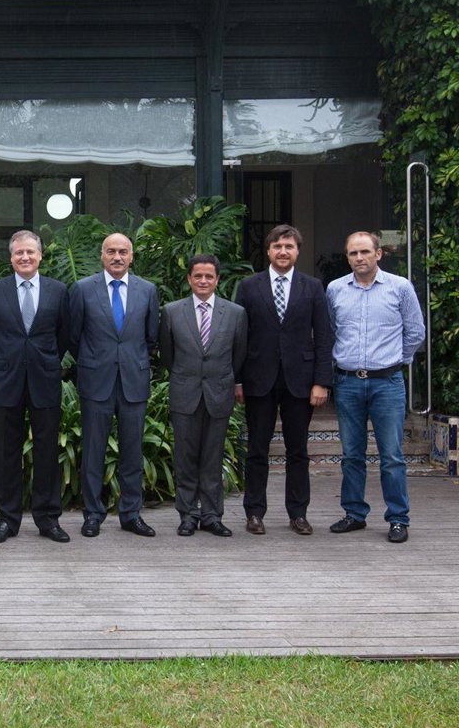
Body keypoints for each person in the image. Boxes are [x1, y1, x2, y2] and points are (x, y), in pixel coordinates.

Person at [326, 231, 425, 543]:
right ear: (347, 257)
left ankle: (398, 518)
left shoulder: (400, 287)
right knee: (351, 454)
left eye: (365, 252)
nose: (359, 258)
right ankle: (354, 514)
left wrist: (396, 361)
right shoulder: (335, 289)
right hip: (348, 383)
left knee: (392, 455)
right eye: (353, 253)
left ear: (378, 254)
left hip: (387, 383)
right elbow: (331, 331)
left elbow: (415, 331)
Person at [235, 225, 333, 536]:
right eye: (277, 246)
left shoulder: (312, 287)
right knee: (257, 449)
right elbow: (239, 337)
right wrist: (237, 380)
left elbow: (324, 336)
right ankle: (254, 512)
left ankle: (298, 513)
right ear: (268, 250)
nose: (283, 251)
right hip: (258, 379)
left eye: (289, 246)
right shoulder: (249, 286)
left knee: (298, 451)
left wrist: (321, 381)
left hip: (300, 381)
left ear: (297, 251)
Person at [0, 229, 68, 544]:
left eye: (30, 252)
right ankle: (7, 519)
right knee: (6, 453)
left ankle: (48, 519)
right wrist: (3, 365)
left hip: (45, 380)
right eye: (19, 252)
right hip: (7, 380)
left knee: (47, 452)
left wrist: (45, 360)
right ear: (11, 257)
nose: (25, 257)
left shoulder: (58, 291)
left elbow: (64, 335)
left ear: (40, 255)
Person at [68, 233, 160, 538]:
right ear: (102, 255)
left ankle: (131, 514)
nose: (117, 257)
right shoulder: (83, 289)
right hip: (96, 381)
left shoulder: (147, 290)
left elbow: (151, 337)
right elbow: (73, 336)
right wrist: (94, 360)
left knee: (132, 451)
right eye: (111, 251)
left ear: (131, 256)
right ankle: (93, 514)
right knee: (93, 451)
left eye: (123, 251)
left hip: (133, 381)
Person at [158, 254, 247, 537]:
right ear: (189, 279)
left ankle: (211, 515)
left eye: (209, 276)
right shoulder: (172, 311)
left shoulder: (235, 313)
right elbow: (167, 354)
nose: (204, 281)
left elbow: (239, 354)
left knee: (212, 457)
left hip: (218, 394)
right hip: (185, 393)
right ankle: (188, 515)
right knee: (185, 458)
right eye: (198, 276)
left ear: (217, 279)